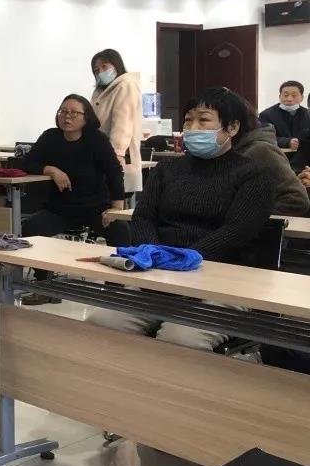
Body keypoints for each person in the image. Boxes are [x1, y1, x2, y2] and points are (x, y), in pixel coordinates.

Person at [88, 88, 275, 350]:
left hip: (223, 282)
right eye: (188, 120)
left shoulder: (255, 175)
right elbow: (144, 217)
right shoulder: (168, 169)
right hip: (160, 278)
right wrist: (154, 255)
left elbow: (236, 232)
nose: (192, 127)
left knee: (181, 339)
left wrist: (183, 261)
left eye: (204, 120)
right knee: (101, 322)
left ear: (232, 127)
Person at [18, 95, 129, 303]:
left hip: (95, 207)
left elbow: (114, 172)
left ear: (86, 117)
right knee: (32, 227)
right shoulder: (51, 137)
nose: (67, 117)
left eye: (73, 113)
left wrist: (117, 208)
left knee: (121, 230)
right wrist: (51, 170)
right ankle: (45, 286)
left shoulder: (97, 140)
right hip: (60, 208)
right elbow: (26, 162)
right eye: (63, 112)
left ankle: (115, 290)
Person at [90, 49, 143, 196]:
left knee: (115, 198)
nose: (100, 72)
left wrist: (116, 155)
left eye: (104, 66)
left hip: (117, 154)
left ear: (116, 65)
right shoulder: (101, 90)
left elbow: (123, 124)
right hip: (101, 151)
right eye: (96, 70)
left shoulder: (125, 85)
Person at [237, 112, 309, 215]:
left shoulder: (260, 150)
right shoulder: (307, 136)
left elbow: (297, 200)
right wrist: (301, 177)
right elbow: (296, 167)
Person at [259, 80, 310, 152]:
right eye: (285, 95)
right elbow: (263, 137)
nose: (289, 99)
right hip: (277, 154)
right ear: (280, 97)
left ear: (302, 97)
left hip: (304, 155)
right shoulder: (266, 115)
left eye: (294, 95)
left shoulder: (307, 114)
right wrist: (287, 142)